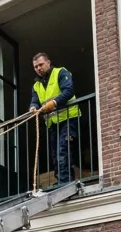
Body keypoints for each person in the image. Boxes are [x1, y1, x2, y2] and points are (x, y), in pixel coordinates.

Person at [28, 52, 82, 185]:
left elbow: (68, 91)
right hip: (53, 124)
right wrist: (33, 107)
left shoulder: (60, 73)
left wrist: (54, 103)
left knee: (63, 150)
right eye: (35, 67)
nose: (38, 68)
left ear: (48, 62)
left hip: (69, 118)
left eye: (40, 65)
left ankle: (65, 183)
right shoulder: (37, 85)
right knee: (55, 155)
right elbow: (35, 101)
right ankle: (61, 181)